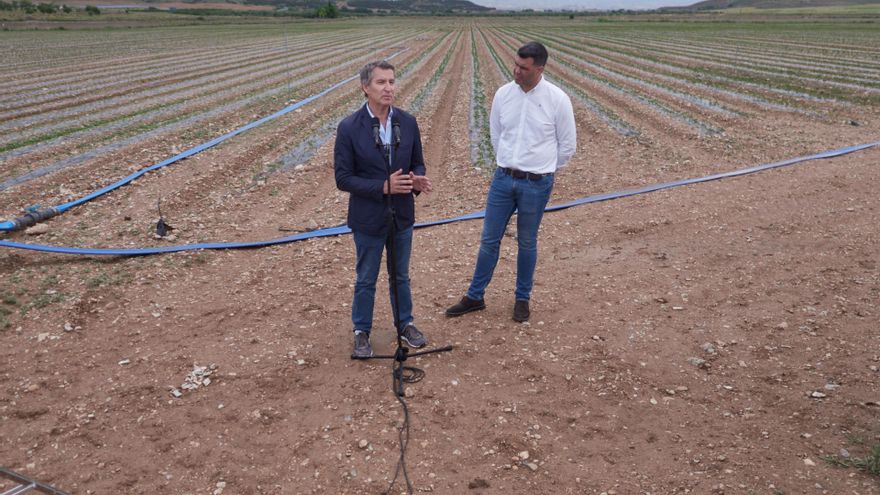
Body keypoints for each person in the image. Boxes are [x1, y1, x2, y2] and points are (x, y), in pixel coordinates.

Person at [446, 41, 576, 323]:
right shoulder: (504, 94)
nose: (516, 71)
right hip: (503, 179)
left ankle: (522, 299)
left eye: (524, 68)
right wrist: (506, 163)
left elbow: (567, 145)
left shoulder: (557, 99)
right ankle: (475, 296)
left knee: (527, 242)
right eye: (515, 65)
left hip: (536, 183)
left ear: (539, 68)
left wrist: (545, 170)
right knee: (489, 240)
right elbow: (496, 135)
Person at [335, 60, 433, 358]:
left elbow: (417, 161)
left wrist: (416, 179)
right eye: (381, 82)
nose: (388, 87)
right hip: (368, 217)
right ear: (365, 87)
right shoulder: (350, 127)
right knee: (366, 277)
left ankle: (405, 323)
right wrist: (382, 187)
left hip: (401, 215)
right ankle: (361, 331)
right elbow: (343, 178)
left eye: (392, 81)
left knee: (400, 275)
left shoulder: (408, 122)